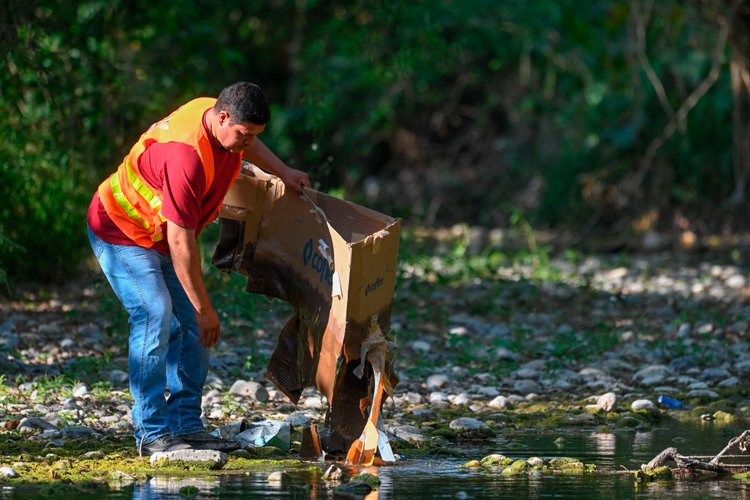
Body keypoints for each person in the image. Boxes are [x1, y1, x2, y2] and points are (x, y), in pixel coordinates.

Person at [86, 82, 310, 456]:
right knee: (155, 314)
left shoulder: (219, 115)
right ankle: (151, 434)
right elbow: (180, 243)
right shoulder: (185, 157)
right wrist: (204, 309)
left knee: (191, 324)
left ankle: (186, 426)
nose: (247, 144)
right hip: (121, 230)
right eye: (243, 135)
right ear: (223, 118)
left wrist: (283, 171)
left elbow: (247, 141)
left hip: (160, 235)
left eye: (253, 136)